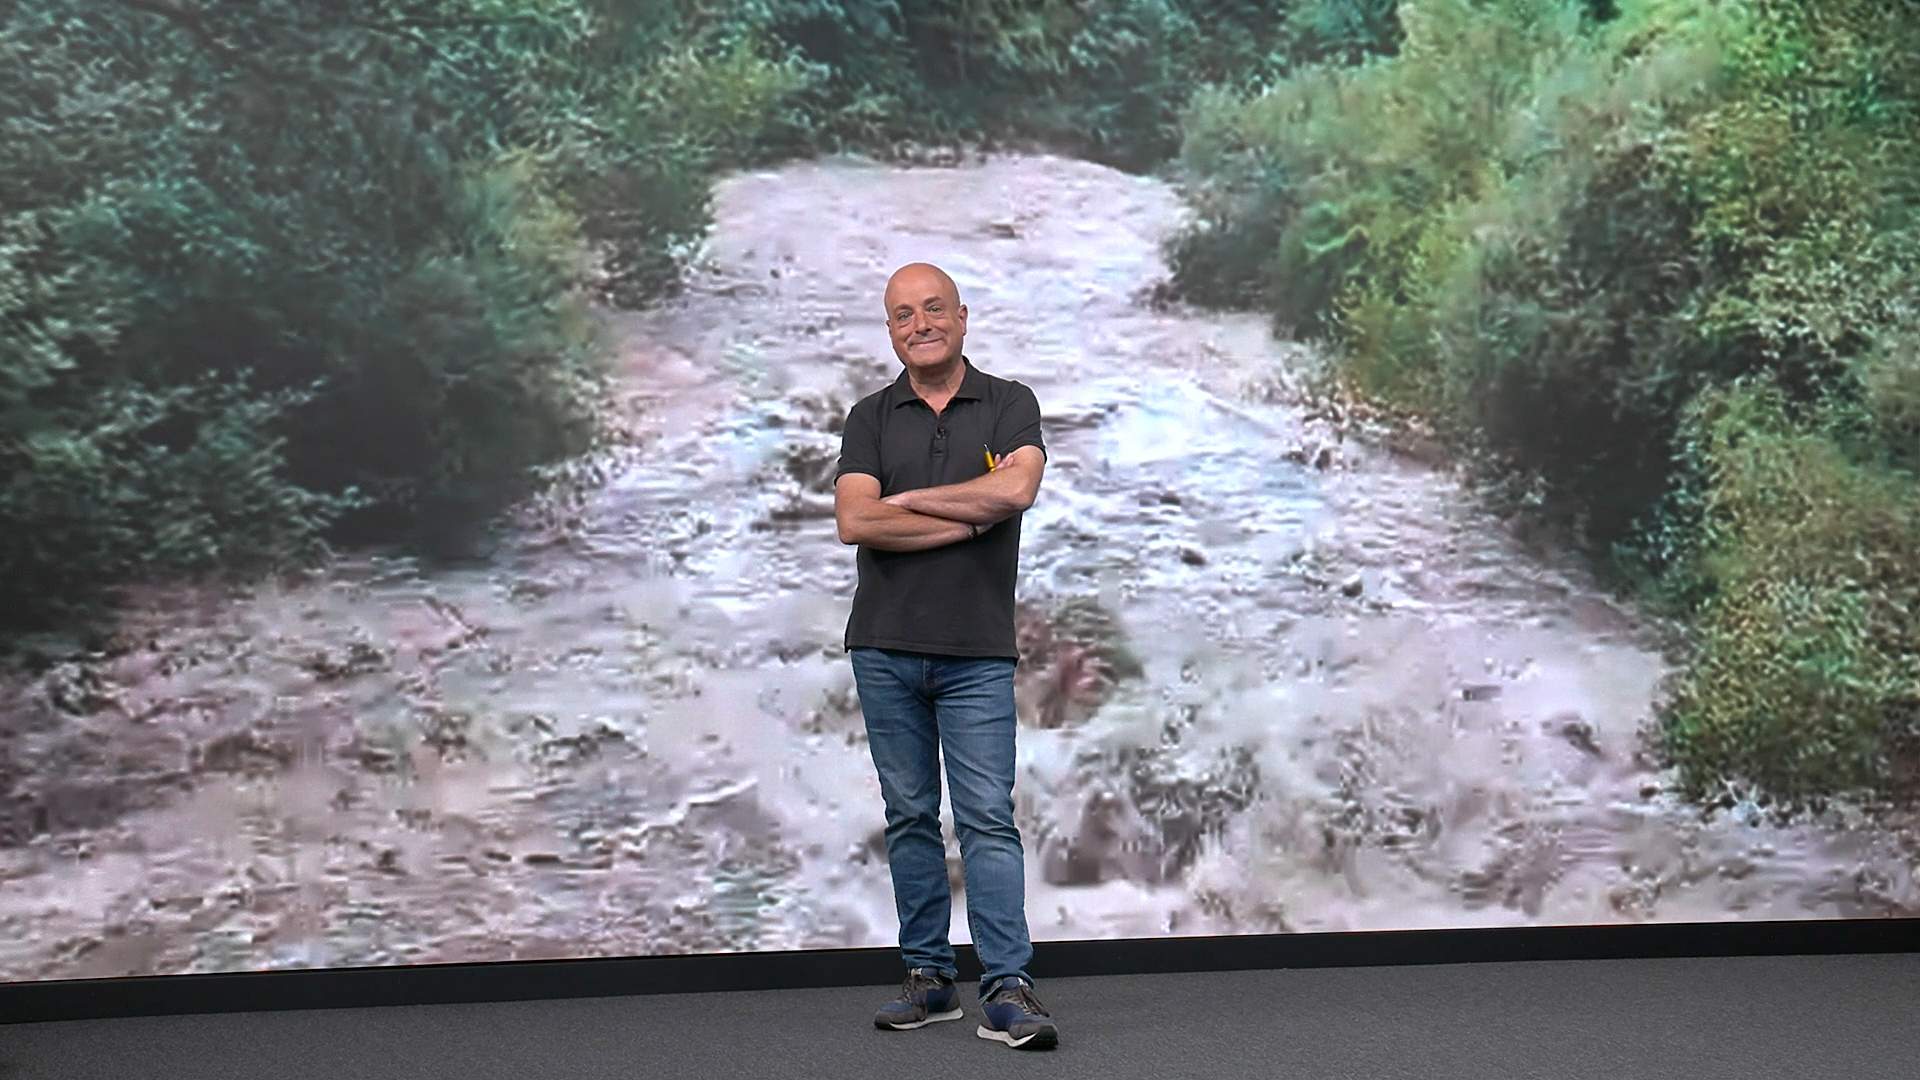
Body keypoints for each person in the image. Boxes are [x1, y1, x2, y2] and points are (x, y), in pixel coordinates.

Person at [832, 262, 1059, 1051]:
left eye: (934, 309)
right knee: (910, 819)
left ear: (962, 317)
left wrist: (908, 503)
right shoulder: (869, 416)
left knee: (989, 821)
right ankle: (929, 979)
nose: (920, 323)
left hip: (976, 651)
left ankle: (1007, 988)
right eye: (903, 314)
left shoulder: (1009, 403)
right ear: (890, 329)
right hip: (885, 648)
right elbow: (855, 522)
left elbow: (1016, 494)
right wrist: (966, 514)